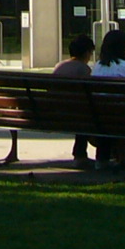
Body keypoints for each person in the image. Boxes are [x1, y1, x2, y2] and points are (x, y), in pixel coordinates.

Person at [89, 28, 125, 169]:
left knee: (111, 113)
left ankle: (103, 157)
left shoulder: (97, 67)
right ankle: (124, 157)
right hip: (122, 119)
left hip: (99, 117)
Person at [52, 33, 96, 167]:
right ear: (87, 53)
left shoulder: (59, 66)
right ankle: (81, 154)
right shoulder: (84, 69)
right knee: (85, 113)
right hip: (75, 115)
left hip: (53, 113)